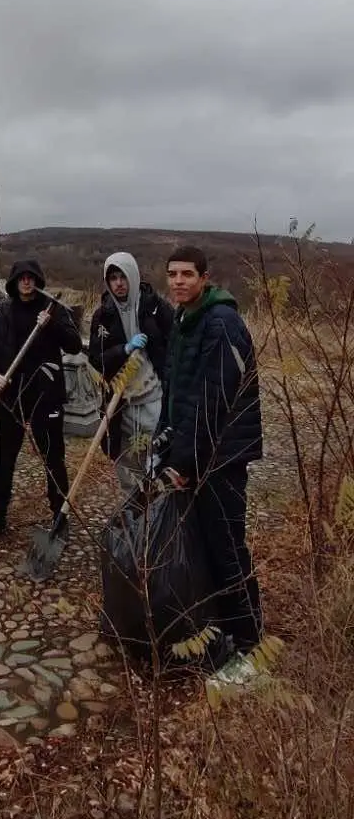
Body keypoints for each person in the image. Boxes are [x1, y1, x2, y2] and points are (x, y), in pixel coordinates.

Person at [157, 244, 264, 688]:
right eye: (173, 274)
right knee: (203, 546)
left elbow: (211, 401)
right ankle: (219, 630)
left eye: (187, 274)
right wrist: (164, 444)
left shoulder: (222, 324)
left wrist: (184, 461)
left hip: (221, 460)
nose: (179, 281)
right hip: (194, 455)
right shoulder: (184, 320)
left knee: (227, 549)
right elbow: (176, 393)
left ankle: (249, 646)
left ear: (205, 277)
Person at [0, 258, 82, 539]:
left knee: (53, 458)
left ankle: (60, 518)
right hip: (11, 394)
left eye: (31, 276)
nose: (26, 281)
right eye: (21, 277)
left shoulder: (52, 310)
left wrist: (52, 326)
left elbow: (73, 343)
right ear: (14, 281)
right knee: (4, 459)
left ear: (38, 280)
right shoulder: (3, 310)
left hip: (45, 395)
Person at [88, 251, 173, 493]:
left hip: (154, 399)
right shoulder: (103, 315)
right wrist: (123, 349)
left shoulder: (155, 308)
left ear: (133, 276)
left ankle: (157, 516)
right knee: (126, 462)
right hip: (121, 403)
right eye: (113, 278)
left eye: (123, 277)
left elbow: (175, 348)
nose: (119, 283)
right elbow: (96, 359)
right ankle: (132, 513)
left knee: (157, 459)